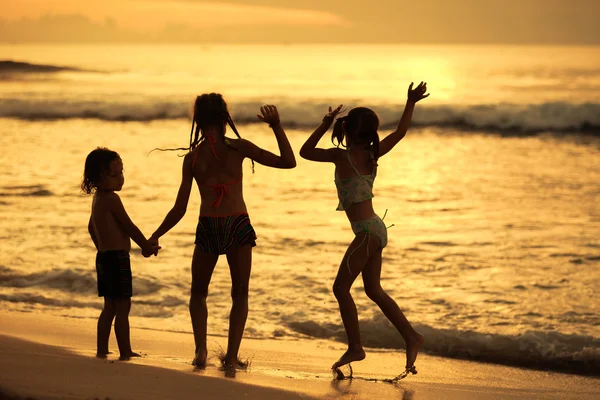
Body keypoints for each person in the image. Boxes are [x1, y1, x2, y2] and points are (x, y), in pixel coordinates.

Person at [149, 93, 296, 369]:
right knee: (240, 293)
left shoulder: (192, 159)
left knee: (198, 293)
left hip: (208, 225)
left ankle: (200, 351)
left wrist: (156, 235)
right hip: (237, 223)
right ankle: (231, 356)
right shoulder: (238, 148)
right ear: (224, 117)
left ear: (198, 120)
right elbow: (288, 161)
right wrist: (275, 125)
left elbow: (179, 208)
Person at [299, 82, 429, 377]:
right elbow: (400, 132)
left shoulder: (341, 156)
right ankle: (411, 336)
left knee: (340, 288)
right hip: (377, 229)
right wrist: (410, 102)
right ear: (370, 133)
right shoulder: (374, 154)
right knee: (372, 289)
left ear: (346, 132)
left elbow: (305, 152)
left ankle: (356, 346)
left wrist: (324, 123)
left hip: (367, 234)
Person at [82, 147, 159, 360]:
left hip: (104, 257)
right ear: (98, 178)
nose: (120, 179)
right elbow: (129, 226)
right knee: (123, 307)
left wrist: (100, 246)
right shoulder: (112, 199)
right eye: (114, 175)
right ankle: (125, 352)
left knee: (110, 308)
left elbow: (91, 227)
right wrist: (146, 246)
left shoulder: (97, 199)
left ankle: (102, 349)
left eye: (121, 172)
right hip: (117, 258)